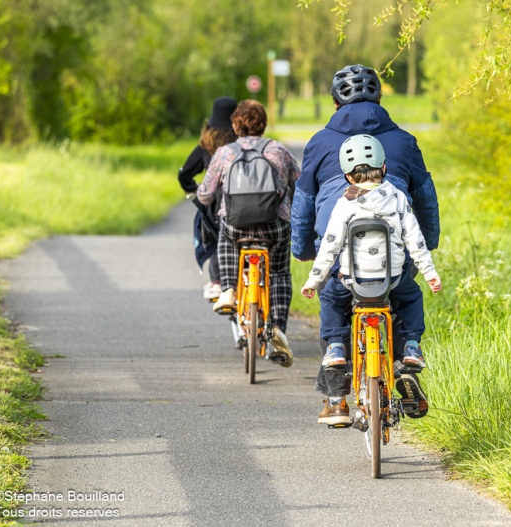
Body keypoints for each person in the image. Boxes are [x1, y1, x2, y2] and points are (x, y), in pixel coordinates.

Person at [291, 64, 441, 423]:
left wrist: (303, 250)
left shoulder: (320, 141)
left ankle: (337, 401)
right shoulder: (404, 141)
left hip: (340, 249)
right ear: (379, 97)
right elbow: (424, 196)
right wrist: (428, 244)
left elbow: (304, 201)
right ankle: (406, 356)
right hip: (393, 250)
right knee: (402, 297)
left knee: (335, 301)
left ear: (333, 101)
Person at [196, 100, 299, 366]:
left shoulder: (224, 153)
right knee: (278, 273)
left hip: (236, 225)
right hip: (274, 226)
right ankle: (277, 327)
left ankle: (229, 289)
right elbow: (299, 186)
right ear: (263, 124)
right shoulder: (278, 150)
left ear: (234, 124)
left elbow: (205, 195)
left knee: (226, 239)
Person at [178, 96, 238, 300]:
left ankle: (217, 281)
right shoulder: (243, 141)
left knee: (209, 225)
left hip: (217, 207)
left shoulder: (207, 145)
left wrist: (195, 188)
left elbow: (184, 174)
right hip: (248, 202)